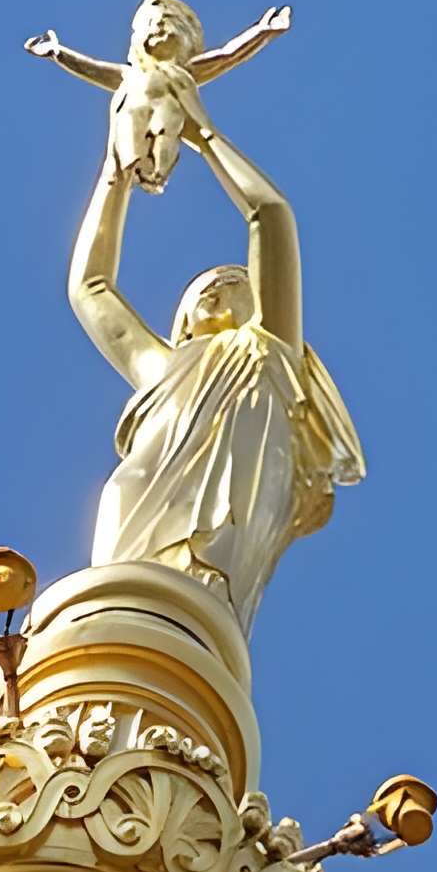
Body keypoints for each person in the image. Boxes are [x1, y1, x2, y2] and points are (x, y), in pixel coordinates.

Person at [65, 106, 364, 632]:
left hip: (220, 538)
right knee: (112, 606)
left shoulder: (269, 351)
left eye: (232, 284)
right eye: (200, 292)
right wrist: (116, 169)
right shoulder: (163, 367)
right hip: (138, 509)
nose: (213, 292)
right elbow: (90, 288)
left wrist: (201, 133)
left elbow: (270, 214)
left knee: (189, 615)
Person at [25, 0, 290, 195]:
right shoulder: (131, 75)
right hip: (134, 114)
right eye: (151, 25)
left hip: (169, 115)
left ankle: (156, 171)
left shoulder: (185, 71)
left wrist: (262, 32)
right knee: (128, 134)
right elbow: (92, 68)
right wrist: (57, 53)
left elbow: (228, 55)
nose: (158, 28)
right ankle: (130, 170)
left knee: (166, 123)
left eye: (166, 24)